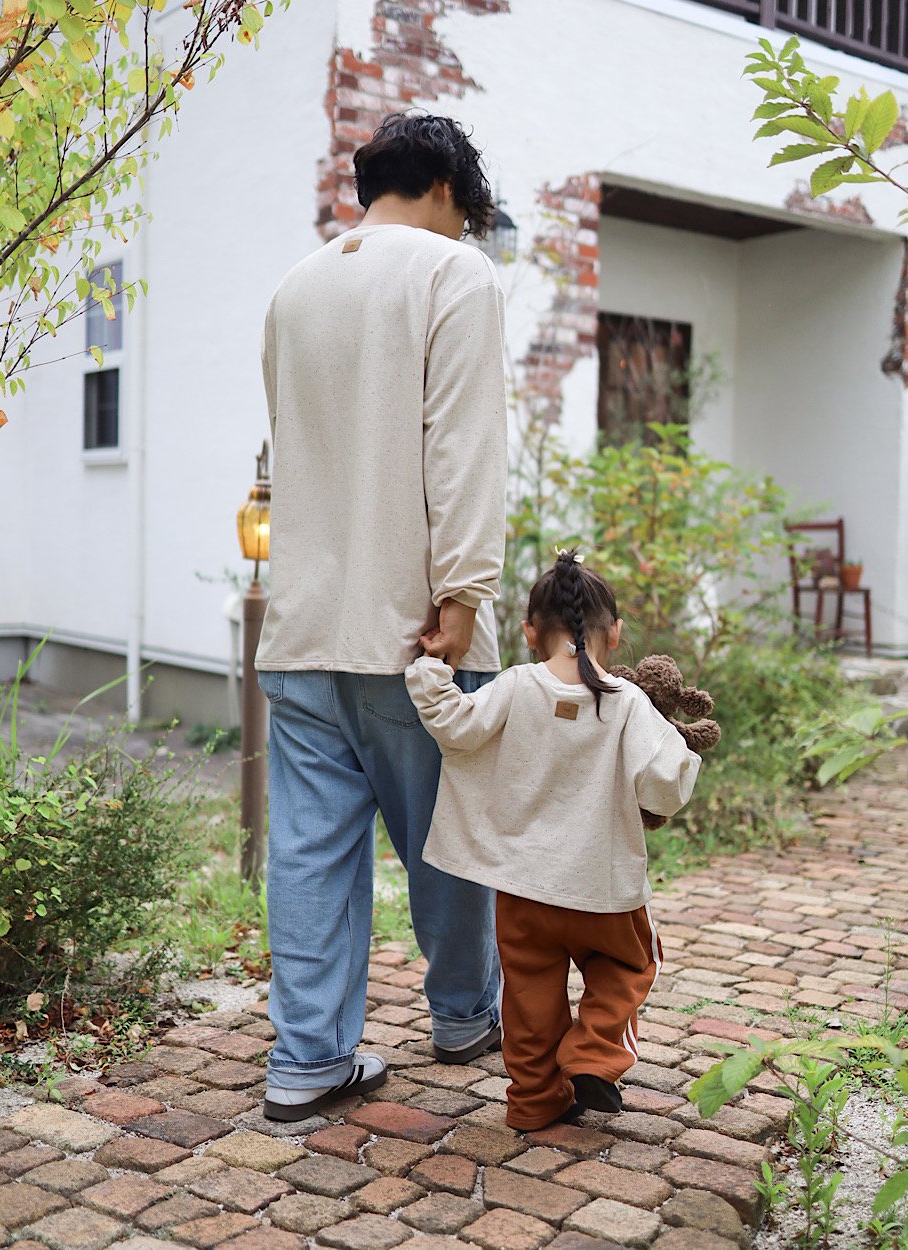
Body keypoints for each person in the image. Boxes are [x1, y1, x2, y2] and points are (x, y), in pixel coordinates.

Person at [255, 113, 508, 1121]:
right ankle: (459, 1015)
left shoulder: (293, 288)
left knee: (309, 855)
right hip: (413, 627)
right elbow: (464, 446)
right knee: (450, 840)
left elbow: (292, 448)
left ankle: (308, 1060)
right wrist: (462, 595)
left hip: (305, 623)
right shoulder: (455, 275)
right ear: (447, 186)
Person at [405, 551, 701, 1131]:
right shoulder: (628, 704)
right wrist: (681, 755)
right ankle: (593, 1056)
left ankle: (535, 1101)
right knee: (631, 967)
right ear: (614, 632)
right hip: (604, 891)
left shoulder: (516, 686)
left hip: (524, 892)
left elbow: (456, 727)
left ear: (530, 631)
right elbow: (665, 786)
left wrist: (430, 669)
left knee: (530, 998)